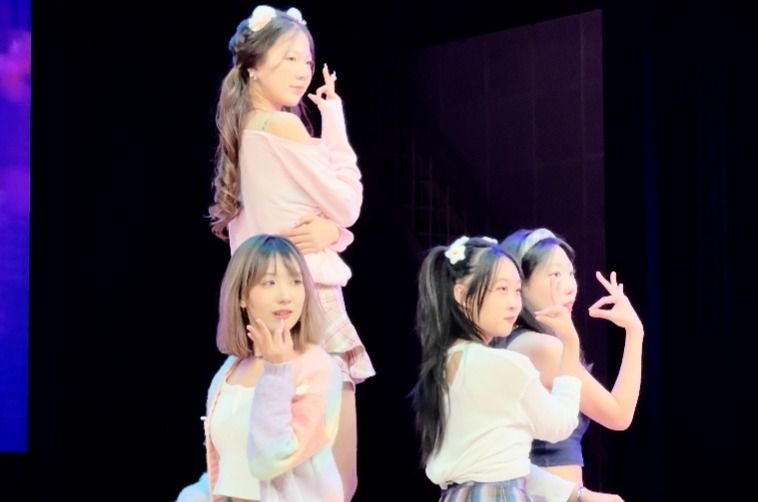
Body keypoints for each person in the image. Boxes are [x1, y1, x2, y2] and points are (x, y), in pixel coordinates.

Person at [185, 5, 374, 500]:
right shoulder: (281, 127)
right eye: (289, 58)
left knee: (280, 467)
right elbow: (347, 202)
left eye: (307, 61)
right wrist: (333, 118)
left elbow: (290, 227)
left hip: (263, 310)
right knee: (333, 476)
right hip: (309, 301)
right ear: (254, 67)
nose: (302, 71)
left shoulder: (244, 133)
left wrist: (333, 234)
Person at [411, 235, 615, 502]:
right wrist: (570, 343)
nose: (513, 303)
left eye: (517, 291)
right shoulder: (501, 364)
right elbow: (561, 424)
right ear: (461, 295)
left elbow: (502, 463)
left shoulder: (445, 363)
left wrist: (577, 495)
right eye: (501, 289)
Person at [493, 228, 643, 491]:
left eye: (571, 273)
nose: (570, 286)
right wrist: (635, 331)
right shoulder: (543, 348)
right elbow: (619, 415)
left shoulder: (519, 342)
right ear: (520, 284)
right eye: (555, 275)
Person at [203, 234, 343, 502]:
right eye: (269, 282)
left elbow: (270, 459)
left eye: (296, 282)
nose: (285, 296)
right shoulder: (230, 369)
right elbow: (228, 469)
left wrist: (277, 370)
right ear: (242, 296)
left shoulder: (316, 367)